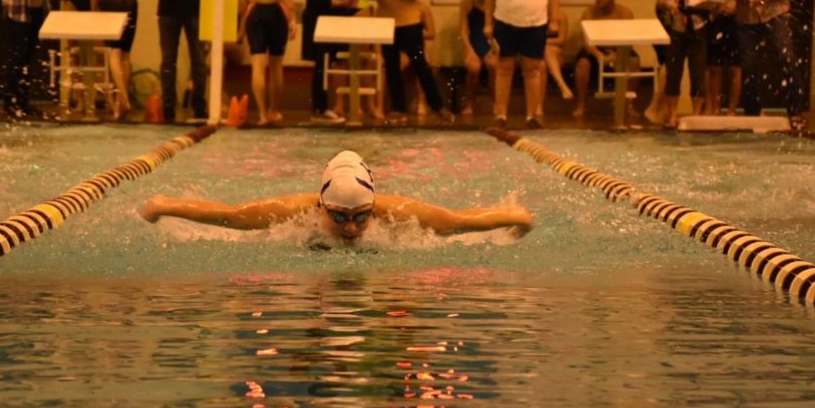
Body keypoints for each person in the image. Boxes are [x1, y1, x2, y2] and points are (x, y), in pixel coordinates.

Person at [140, 150, 535, 246]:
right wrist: (165, 206)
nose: (352, 227)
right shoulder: (297, 211)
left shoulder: (395, 213)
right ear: (321, 205)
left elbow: (460, 222)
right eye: (340, 217)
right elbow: (230, 216)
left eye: (362, 217)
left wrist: (513, 216)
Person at [718, 0, 805, 130]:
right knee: (749, 64)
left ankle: (796, 111)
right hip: (746, 14)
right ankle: (753, 112)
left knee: (787, 58)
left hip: (775, 10)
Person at [369, 0, 453, 125]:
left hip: (409, 21)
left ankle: (437, 106)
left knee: (420, 65)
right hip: (386, 22)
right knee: (391, 66)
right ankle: (398, 108)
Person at [484, 0, 561, 129]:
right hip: (505, 22)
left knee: (533, 69)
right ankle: (500, 114)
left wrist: (554, 19)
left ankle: (532, 115)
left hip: (535, 22)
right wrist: (488, 23)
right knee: (504, 68)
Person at [149, 0, 220, 122]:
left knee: (198, 60)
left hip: (195, 10)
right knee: (168, 60)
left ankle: (199, 104)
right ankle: (168, 105)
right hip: (168, 10)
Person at [657, 0, 721, 128]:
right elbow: (659, 0)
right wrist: (669, 4)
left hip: (699, 27)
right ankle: (672, 114)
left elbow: (717, 0)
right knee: (674, 72)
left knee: (698, 72)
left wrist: (708, 6)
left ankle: (696, 114)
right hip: (676, 28)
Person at [236, 0, 297, 125]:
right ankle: (274, 111)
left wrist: (246, 18)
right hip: (275, 10)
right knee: (276, 65)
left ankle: (261, 114)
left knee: (257, 65)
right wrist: (292, 16)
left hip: (254, 9)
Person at [648, 0, 701, 124]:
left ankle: (662, 110)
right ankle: (655, 108)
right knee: (671, 61)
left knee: (678, 62)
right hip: (670, 7)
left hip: (686, 9)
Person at [302, 0, 356, 124]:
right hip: (320, 24)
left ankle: (325, 106)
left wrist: (349, 1)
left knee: (330, 63)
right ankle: (320, 107)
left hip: (334, 23)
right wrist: (342, 2)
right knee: (321, 65)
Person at [91, 0, 143, 121]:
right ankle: (119, 107)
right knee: (126, 54)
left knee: (114, 52)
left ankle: (124, 98)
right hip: (130, 0)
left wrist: (94, 7)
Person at [571, 0, 639, 119]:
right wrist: (600, 56)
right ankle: (581, 104)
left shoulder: (624, 13)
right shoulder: (589, 13)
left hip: (618, 48)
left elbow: (630, 40)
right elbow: (587, 42)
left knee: (634, 62)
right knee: (582, 64)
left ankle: (628, 104)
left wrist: (616, 54)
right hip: (595, 49)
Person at [458, 0, 497, 116]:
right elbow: (463, 30)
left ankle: (495, 102)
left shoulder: (497, 4)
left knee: (494, 66)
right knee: (474, 68)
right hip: (473, 43)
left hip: (489, 45)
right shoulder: (467, 2)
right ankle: (469, 102)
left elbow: (498, 31)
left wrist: (494, 50)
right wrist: (469, 50)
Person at [537, 10, 571, 119]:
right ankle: (561, 85)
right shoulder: (535, 14)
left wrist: (543, 42)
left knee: (547, 50)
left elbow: (561, 40)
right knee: (542, 64)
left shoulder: (561, 16)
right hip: (537, 55)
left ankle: (539, 106)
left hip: (556, 55)